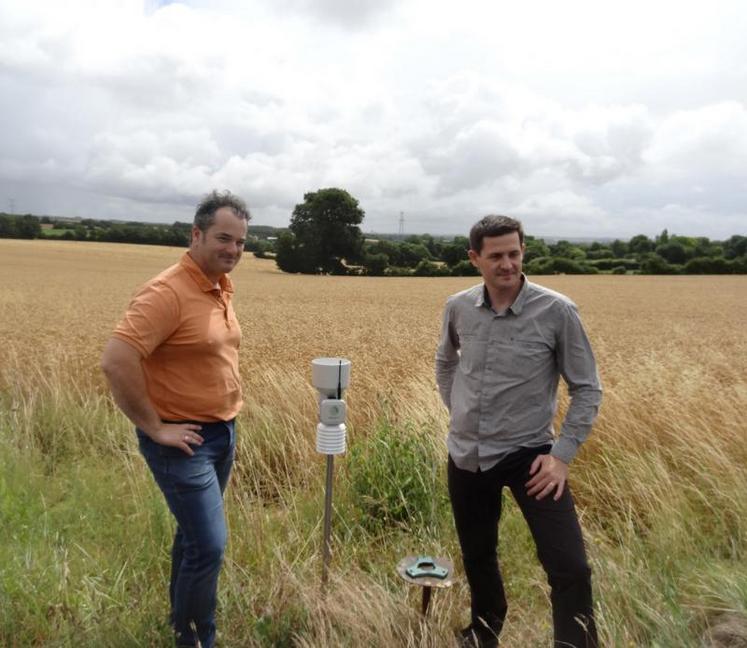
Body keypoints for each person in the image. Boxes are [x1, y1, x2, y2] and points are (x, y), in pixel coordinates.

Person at [435, 215, 602, 648]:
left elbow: (586, 388)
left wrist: (561, 455)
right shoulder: (458, 306)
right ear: (475, 259)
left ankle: (576, 643)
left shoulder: (557, 310)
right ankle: (483, 631)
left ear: (523, 251)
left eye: (514, 253)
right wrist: (459, 410)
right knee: (478, 554)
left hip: (531, 456)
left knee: (570, 566)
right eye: (496, 256)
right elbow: (446, 361)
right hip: (466, 454)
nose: (507, 264)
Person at [101, 190, 250, 648]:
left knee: (193, 539)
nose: (233, 250)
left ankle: (179, 623)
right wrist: (154, 426)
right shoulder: (167, 292)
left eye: (242, 243)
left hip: (221, 433)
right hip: (182, 442)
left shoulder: (218, 285)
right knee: (209, 544)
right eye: (224, 238)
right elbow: (117, 359)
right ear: (197, 234)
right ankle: (197, 638)